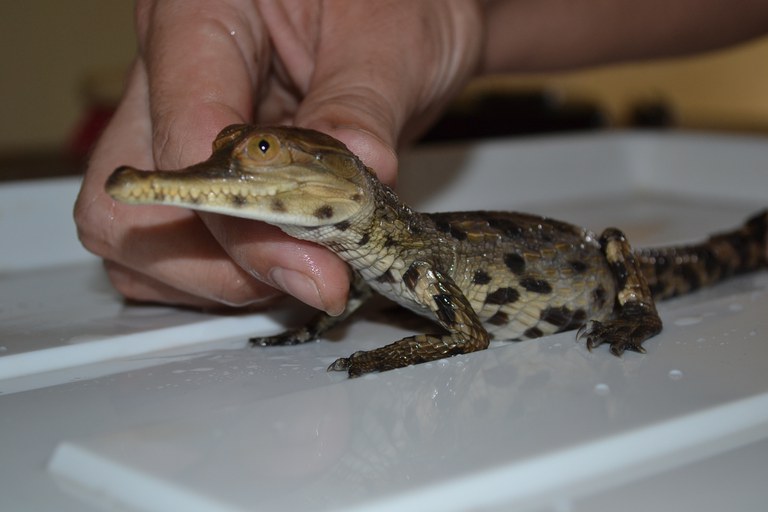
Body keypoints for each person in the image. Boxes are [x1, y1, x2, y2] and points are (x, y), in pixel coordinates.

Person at [74, 0, 768, 316]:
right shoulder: (378, 261)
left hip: (584, 271)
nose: (237, 161)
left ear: (340, 167)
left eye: (260, 149)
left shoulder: (401, 248)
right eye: (241, 149)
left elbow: (468, 335)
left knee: (708, 254)